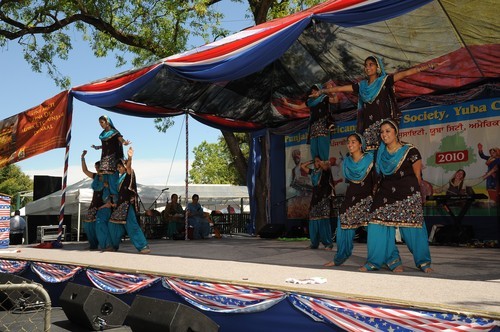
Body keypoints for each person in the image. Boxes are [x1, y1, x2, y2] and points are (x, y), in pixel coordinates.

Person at [320, 56, 444, 151]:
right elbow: (339, 89)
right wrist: (322, 91)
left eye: (371, 64)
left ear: (378, 67)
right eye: (365, 65)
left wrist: (429, 66)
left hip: (383, 128)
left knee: (384, 154)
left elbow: (405, 73)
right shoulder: (361, 86)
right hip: (367, 129)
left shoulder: (384, 81)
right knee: (369, 156)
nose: (367, 67)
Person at [361, 119, 432, 273]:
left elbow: (417, 177)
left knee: (413, 228)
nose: (384, 134)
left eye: (387, 131)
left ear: (396, 132)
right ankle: (388, 262)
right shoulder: (380, 153)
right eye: (382, 132)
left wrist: (415, 198)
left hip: (407, 193)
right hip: (386, 192)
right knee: (376, 223)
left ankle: (424, 263)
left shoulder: (410, 150)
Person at [324, 133, 375, 267]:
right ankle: (339, 258)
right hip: (351, 196)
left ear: (360, 144)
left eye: (353, 142)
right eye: (348, 142)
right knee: (343, 223)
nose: (350, 144)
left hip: (368, 198)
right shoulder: (346, 161)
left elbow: (377, 179)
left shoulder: (370, 159)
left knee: (376, 230)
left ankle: (384, 260)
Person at [108, 147, 151, 254]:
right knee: (112, 225)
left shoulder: (128, 174)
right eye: (117, 167)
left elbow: (129, 167)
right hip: (120, 206)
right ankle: (114, 245)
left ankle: (143, 246)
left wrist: (130, 157)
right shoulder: (119, 179)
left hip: (127, 206)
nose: (118, 169)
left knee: (132, 226)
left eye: (120, 167)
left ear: (124, 166)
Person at [283, 83, 338, 162]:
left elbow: (335, 100)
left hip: (323, 125)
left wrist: (332, 92)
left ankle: (324, 167)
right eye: (312, 90)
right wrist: (287, 104)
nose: (313, 91)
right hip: (313, 127)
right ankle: (317, 168)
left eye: (315, 89)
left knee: (323, 147)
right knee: (314, 150)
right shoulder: (310, 101)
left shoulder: (324, 98)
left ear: (319, 90)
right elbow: (299, 107)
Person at [81, 150, 113, 250]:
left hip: (104, 204)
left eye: (98, 167)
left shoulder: (108, 177)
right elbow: (85, 171)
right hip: (94, 203)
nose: (97, 169)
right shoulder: (95, 176)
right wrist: (82, 158)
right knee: (88, 224)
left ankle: (107, 245)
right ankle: (93, 244)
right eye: (95, 167)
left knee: (100, 224)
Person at [300, 156, 334, 250]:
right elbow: (302, 166)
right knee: (313, 221)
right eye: (315, 162)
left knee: (323, 221)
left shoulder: (326, 171)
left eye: (319, 161)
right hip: (315, 199)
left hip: (323, 199)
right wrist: (312, 161)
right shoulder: (313, 172)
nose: (317, 163)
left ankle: (328, 244)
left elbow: (326, 166)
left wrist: (321, 162)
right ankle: (314, 243)